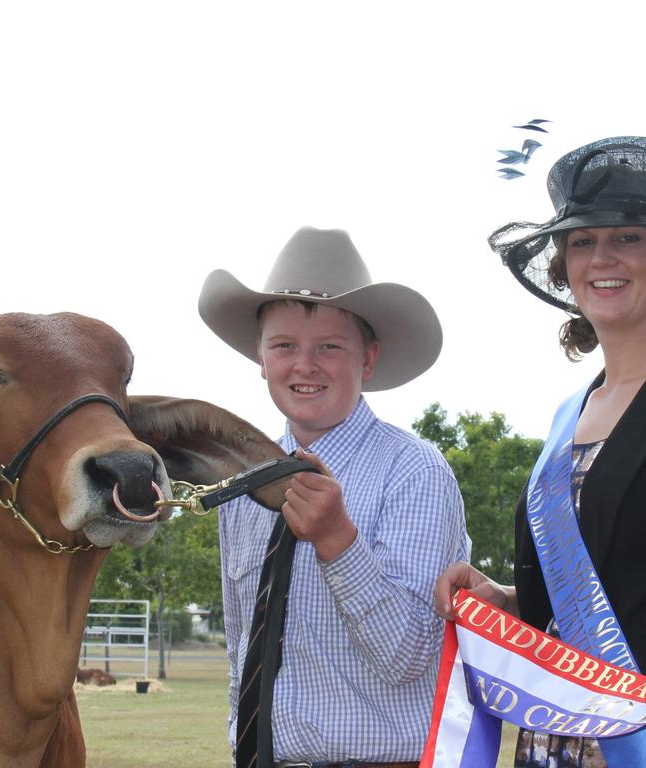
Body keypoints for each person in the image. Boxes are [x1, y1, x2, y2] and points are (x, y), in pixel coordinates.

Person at [434, 136, 646, 767]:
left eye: (628, 237)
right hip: (551, 741)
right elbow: (601, 589)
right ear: (564, 266)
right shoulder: (570, 414)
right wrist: (508, 601)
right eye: (582, 241)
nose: (603, 257)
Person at [198, 227, 470, 768]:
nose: (305, 364)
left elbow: (413, 655)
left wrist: (337, 541)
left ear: (368, 360)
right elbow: (242, 650)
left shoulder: (413, 470)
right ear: (259, 357)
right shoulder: (241, 481)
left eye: (330, 347)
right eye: (284, 346)